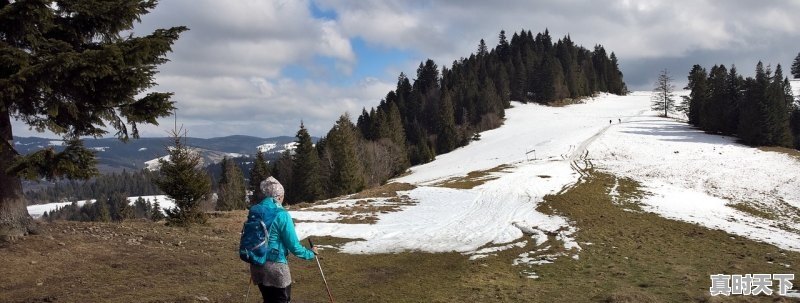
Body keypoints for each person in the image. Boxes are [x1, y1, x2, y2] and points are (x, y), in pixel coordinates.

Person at [249, 176, 317, 303]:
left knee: (268, 300)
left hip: (256, 264)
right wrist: (310, 253)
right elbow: (294, 246)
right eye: (283, 196)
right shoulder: (282, 215)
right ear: (279, 196)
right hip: (276, 267)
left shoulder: (255, 211)